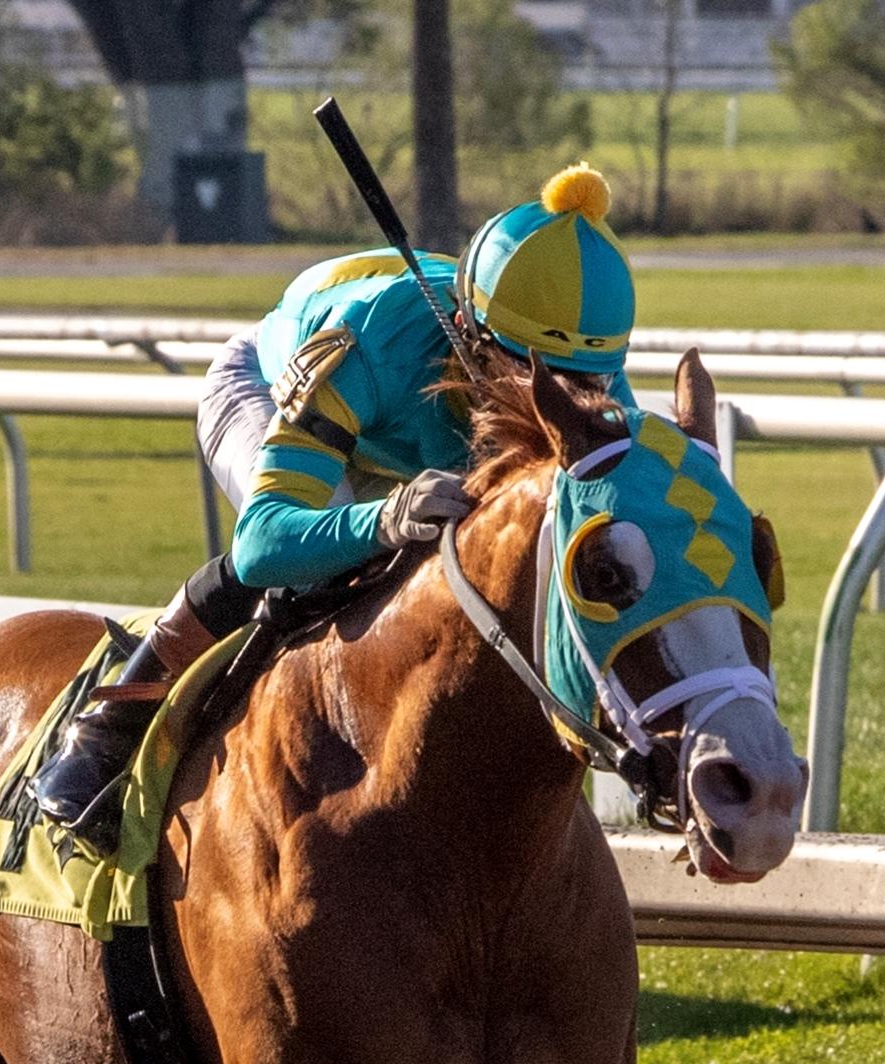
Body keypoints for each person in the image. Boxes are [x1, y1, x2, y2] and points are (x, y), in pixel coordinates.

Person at [33, 165, 637, 846]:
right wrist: (386, 518)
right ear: (465, 329)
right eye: (528, 374)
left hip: (397, 443)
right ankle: (107, 731)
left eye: (583, 383)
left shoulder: (596, 384)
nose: (553, 402)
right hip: (266, 388)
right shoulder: (375, 341)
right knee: (317, 567)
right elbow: (264, 541)